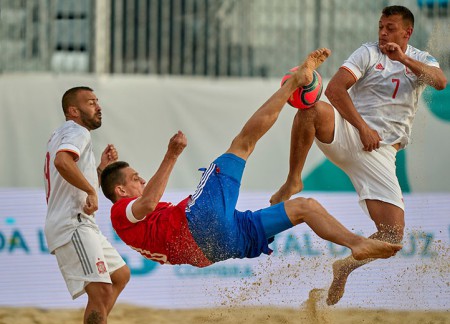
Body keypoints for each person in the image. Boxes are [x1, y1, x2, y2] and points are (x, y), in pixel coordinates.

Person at [99, 49, 402, 273]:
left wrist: (103, 171)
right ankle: (292, 84)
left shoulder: (126, 218)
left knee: (304, 208)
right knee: (243, 143)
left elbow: (130, 196)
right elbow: (149, 202)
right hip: (200, 223)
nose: (140, 179)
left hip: (213, 249)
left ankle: (355, 243)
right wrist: (172, 155)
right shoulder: (121, 211)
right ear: (121, 192)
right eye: (135, 177)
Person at [269, 6, 447, 306]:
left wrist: (402, 59)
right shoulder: (367, 52)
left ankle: (345, 268)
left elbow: (441, 82)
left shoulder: (419, 59)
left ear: (407, 32)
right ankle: (293, 180)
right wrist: (362, 127)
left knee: (392, 239)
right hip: (351, 133)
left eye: (390, 27)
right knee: (311, 108)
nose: (382, 33)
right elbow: (336, 90)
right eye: (380, 26)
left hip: (381, 154)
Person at [44, 86, 130, 324]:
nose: (99, 107)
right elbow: (63, 162)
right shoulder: (78, 131)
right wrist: (92, 191)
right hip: (72, 223)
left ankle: (97, 323)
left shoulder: (61, 133)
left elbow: (72, 174)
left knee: (120, 275)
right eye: (91, 103)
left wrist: (101, 168)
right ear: (73, 110)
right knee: (101, 293)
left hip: (81, 222)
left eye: (97, 101)